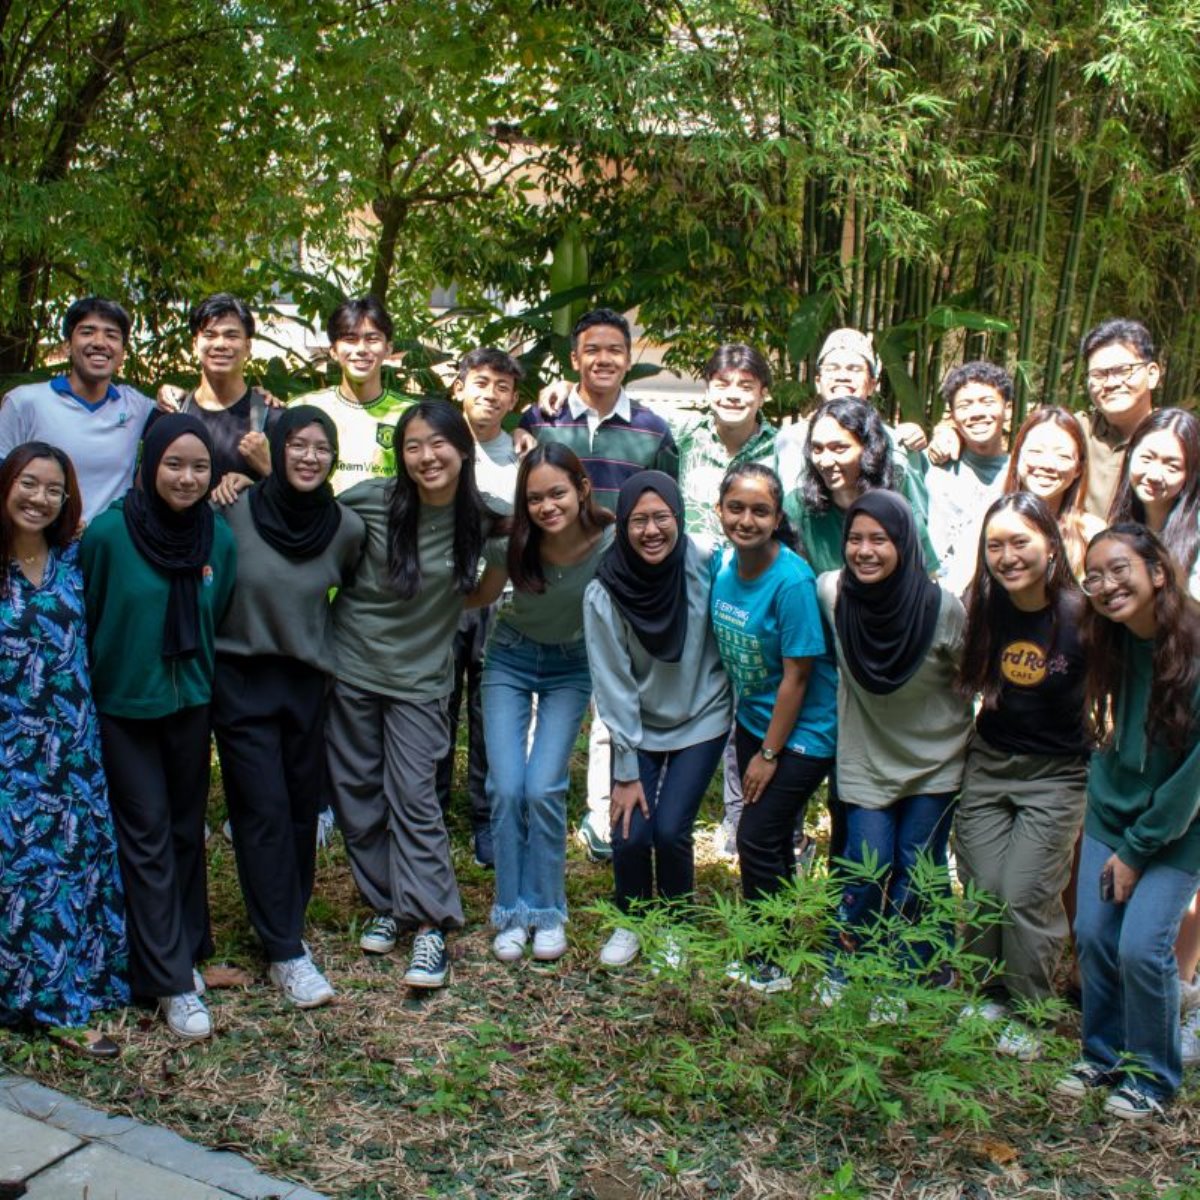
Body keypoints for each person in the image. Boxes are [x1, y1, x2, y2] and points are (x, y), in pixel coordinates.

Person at [326, 399, 501, 989]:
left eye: (437, 444)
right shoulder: (371, 500)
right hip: (351, 666)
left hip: (422, 679)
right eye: (413, 446)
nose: (426, 457)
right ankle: (387, 903)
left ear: (463, 449)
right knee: (356, 792)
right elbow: (304, 519)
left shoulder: (480, 515)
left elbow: (543, 525)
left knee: (414, 795)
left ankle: (429, 924)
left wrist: (461, 602)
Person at [81, 413, 236, 1041]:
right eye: (174, 464)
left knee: (183, 831)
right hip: (126, 705)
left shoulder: (216, 537)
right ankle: (168, 982)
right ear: (149, 466)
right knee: (144, 837)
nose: (187, 477)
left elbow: (215, 611)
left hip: (190, 701)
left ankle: (188, 950)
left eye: (200, 466)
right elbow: (89, 611)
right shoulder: (111, 534)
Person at [212, 406, 365, 1008]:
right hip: (242, 676)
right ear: (275, 449)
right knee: (263, 810)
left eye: (321, 447)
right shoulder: (233, 509)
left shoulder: (346, 528)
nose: (308, 457)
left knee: (302, 811)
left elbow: (356, 595)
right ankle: (284, 951)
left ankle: (284, 921)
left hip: (307, 683)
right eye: (297, 445)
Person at [517, 308, 678, 863]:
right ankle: (539, 806)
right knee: (545, 697)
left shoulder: (653, 429)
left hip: (623, 583)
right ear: (574, 359)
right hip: (551, 581)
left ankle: (603, 811)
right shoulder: (543, 417)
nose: (603, 359)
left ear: (628, 359)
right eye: (592, 349)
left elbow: (666, 508)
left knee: (615, 697)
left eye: (614, 350)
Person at [1056, 524, 1200, 1119]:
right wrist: (1102, 777)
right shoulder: (1109, 639)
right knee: (1093, 934)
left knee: (1142, 947)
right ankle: (1103, 1053)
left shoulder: (1194, 646)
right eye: (1095, 576)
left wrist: (1139, 851)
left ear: (1157, 572)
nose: (1107, 585)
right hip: (1115, 811)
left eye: (1121, 570)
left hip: (1179, 826)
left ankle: (1153, 1076)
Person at [0, 444, 128, 1058]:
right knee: (19, 875)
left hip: (71, 746)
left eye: (53, 489)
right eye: (29, 483)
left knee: (70, 869)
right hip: (8, 751)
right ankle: (36, 1000)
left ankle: (72, 986)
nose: (39, 498)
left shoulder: (75, 560)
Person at [816, 492, 972, 992]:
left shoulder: (942, 608)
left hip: (935, 759)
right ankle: (846, 958)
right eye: (856, 539)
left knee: (918, 865)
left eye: (879, 540)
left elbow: (971, 676)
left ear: (903, 543)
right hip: (866, 755)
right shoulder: (831, 592)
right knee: (868, 864)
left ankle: (916, 970)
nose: (865, 550)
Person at [953, 493, 1090, 1058]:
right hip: (989, 761)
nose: (1007, 556)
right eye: (995, 546)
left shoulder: (1085, 614)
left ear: (1050, 545)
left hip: (1057, 774)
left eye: (1020, 542)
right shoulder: (983, 604)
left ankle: (1030, 1012)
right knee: (984, 887)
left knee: (1024, 892)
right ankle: (987, 992)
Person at [468, 445, 614, 962]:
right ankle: (510, 910)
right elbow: (482, 597)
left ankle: (547, 910)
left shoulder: (610, 540)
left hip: (571, 666)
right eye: (534, 498)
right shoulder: (511, 542)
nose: (547, 506)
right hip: (509, 658)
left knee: (544, 786)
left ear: (581, 488)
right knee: (506, 787)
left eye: (558, 492)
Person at [583, 472, 731, 967]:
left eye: (661, 518)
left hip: (702, 713)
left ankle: (675, 921)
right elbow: (613, 685)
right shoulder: (604, 591)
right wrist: (624, 768)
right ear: (623, 525)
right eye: (639, 521)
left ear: (679, 518)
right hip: (639, 724)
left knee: (670, 829)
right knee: (629, 831)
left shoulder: (707, 561)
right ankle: (633, 916)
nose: (651, 531)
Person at [709, 464, 837, 991]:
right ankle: (767, 944)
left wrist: (769, 752)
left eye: (760, 511)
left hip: (803, 729)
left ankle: (771, 958)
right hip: (754, 718)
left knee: (758, 837)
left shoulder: (791, 580)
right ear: (720, 511)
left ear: (777, 517)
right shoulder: (722, 565)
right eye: (736, 508)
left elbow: (799, 674)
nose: (746, 519)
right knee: (768, 840)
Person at [929, 318, 1160, 522]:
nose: (1110, 383)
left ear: (1152, 374)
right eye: (1099, 374)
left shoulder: (1174, 441)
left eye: (1122, 371)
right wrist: (952, 431)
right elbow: (1025, 439)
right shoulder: (1076, 430)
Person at [436, 348, 523, 869]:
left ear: (514, 399)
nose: (490, 395)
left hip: (501, 600)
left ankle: (487, 817)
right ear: (459, 387)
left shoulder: (523, 453)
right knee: (436, 704)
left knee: (490, 710)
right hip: (442, 599)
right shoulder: (437, 445)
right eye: (481, 383)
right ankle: (433, 809)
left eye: (502, 387)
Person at [0, 297, 153, 523]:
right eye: (87, 332)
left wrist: (173, 391)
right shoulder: (25, 401)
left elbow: (186, 431)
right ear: (67, 346)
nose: (100, 342)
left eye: (111, 335)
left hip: (107, 546)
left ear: (122, 353)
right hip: (42, 544)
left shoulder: (136, 406)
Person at [783, 397, 939, 576]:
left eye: (839, 448)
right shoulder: (798, 507)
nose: (824, 461)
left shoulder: (898, 508)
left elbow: (927, 579)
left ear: (869, 449)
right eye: (817, 449)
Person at [775, 328, 928, 494]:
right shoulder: (789, 440)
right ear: (818, 382)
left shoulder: (897, 443)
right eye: (832, 368)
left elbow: (914, 513)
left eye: (853, 369)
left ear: (872, 385)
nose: (842, 376)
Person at [295, 296, 415, 494]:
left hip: (387, 522)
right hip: (318, 522)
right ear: (333, 350)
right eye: (350, 339)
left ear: (388, 349)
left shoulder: (410, 415)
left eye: (372, 339)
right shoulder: (303, 408)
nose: (361, 349)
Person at [170, 294, 279, 505]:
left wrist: (266, 472)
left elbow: (297, 505)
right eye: (210, 335)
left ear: (247, 347)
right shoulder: (175, 412)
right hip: (182, 536)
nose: (220, 344)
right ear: (195, 345)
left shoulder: (271, 417)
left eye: (231, 336)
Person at [925, 362, 1012, 596]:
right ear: (952, 416)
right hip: (930, 591)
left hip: (992, 593)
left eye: (987, 402)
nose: (977, 413)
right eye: (965, 405)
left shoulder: (1021, 472)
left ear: (1008, 409)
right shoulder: (933, 465)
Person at [1108, 407, 1200, 599]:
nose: (1154, 475)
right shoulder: (1122, 520)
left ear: (1191, 474)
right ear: (1130, 454)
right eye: (1147, 458)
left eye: (1172, 466)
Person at [1003, 407, 1105, 578]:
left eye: (1063, 456)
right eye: (1036, 452)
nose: (1047, 464)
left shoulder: (1092, 534)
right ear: (1017, 456)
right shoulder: (992, 523)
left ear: (1078, 468)